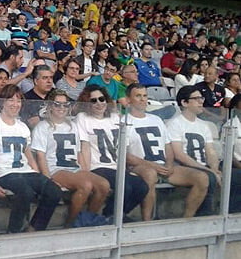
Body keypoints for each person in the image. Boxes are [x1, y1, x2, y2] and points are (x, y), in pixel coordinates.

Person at [125, 83, 210, 220]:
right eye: (138, 96)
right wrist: (152, 165)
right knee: (150, 174)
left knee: (202, 178)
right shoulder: (124, 121)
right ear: (128, 99)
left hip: (163, 166)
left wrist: (169, 164)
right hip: (139, 166)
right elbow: (125, 155)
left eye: (145, 96)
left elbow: (168, 146)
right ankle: (147, 222)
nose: (143, 99)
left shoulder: (156, 119)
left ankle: (186, 220)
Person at [0, 84, 62, 233]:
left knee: (54, 191)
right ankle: (13, 231)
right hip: (4, 173)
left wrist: (40, 176)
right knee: (26, 192)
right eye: (11, 100)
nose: (15, 104)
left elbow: (29, 156)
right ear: (2, 102)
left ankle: (34, 228)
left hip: (25, 171)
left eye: (18, 101)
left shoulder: (22, 127)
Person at [32, 89, 110, 227]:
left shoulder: (73, 126)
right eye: (57, 104)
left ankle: (87, 219)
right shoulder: (42, 127)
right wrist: (47, 179)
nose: (62, 108)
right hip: (56, 169)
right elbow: (40, 155)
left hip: (74, 167)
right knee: (85, 185)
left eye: (65, 104)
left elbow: (79, 152)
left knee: (103, 185)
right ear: (50, 106)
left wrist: (86, 171)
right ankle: (70, 224)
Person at [76, 85, 149, 219]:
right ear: (87, 103)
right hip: (98, 167)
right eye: (93, 101)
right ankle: (111, 216)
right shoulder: (83, 118)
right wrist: (86, 172)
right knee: (125, 187)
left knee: (142, 187)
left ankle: (116, 215)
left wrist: (126, 167)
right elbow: (84, 147)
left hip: (116, 166)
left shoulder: (115, 117)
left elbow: (122, 146)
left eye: (101, 99)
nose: (99, 103)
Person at [166, 85, 221, 216]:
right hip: (184, 166)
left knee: (232, 177)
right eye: (196, 99)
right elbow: (179, 154)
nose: (201, 101)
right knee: (209, 177)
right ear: (184, 102)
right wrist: (209, 171)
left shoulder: (204, 125)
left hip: (203, 166)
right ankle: (198, 216)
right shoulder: (174, 124)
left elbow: (211, 151)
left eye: (201, 98)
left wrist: (214, 167)